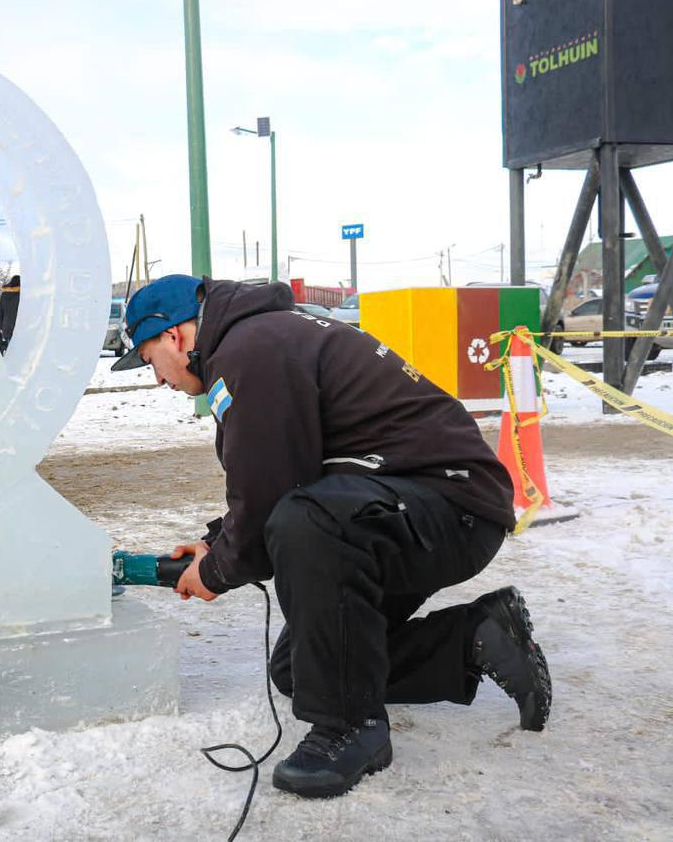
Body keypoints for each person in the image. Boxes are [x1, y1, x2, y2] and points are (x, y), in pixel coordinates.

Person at [111, 274, 552, 799]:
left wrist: (216, 571)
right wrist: (217, 543)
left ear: (176, 336)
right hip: (402, 506)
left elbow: (279, 493)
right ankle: (474, 639)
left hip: (450, 505)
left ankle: (351, 728)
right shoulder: (260, 341)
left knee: (305, 521)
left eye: (147, 357)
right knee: (303, 670)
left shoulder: (252, 349)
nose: (156, 378)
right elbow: (278, 471)